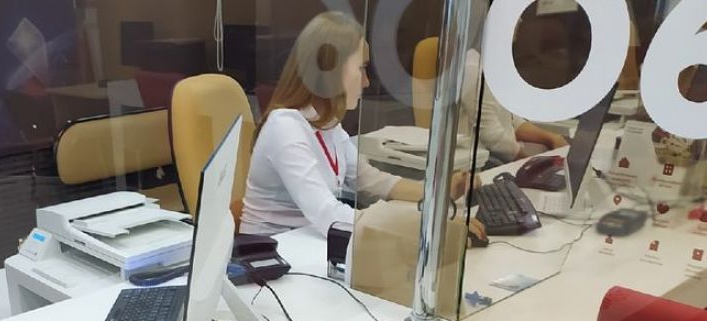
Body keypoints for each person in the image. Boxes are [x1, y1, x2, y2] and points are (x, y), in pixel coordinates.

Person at [241, 12, 485, 239]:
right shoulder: (285, 127)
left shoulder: (327, 124)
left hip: (309, 246)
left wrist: (439, 194)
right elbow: (328, 214)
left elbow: (374, 182)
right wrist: (425, 226)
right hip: (272, 253)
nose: (367, 82)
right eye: (362, 68)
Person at [461, 49, 568, 163]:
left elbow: (509, 120)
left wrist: (552, 138)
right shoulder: (474, 68)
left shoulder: (494, 65)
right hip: (481, 161)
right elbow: (492, 137)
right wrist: (530, 164)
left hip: (496, 154)